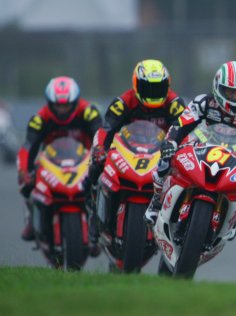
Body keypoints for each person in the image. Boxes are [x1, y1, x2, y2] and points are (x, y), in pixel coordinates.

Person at [143, 60, 236, 225]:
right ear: (218, 87)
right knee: (165, 161)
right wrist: (170, 143)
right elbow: (181, 125)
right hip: (202, 148)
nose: (234, 97)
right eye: (230, 92)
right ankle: (156, 202)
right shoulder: (202, 102)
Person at [85, 59, 186, 245]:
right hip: (129, 152)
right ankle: (92, 211)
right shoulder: (123, 102)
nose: (153, 93)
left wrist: (179, 152)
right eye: (148, 88)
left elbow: (184, 132)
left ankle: (178, 225)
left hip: (160, 154)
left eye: (158, 88)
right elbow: (106, 129)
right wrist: (99, 149)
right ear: (136, 85)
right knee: (96, 164)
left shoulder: (175, 104)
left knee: (184, 176)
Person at [17, 76, 102, 244]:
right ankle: (31, 217)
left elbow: (101, 136)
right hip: (52, 164)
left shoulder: (88, 112)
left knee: (101, 178)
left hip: (84, 163)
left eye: (66, 105)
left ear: (75, 102)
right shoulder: (39, 119)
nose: (62, 110)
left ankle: (97, 220)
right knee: (27, 184)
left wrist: (99, 158)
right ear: (50, 103)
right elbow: (27, 148)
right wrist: (24, 172)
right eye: (58, 105)